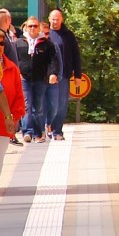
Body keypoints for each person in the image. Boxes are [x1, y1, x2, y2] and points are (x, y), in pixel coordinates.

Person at [0, 29, 25, 205]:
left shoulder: (11, 69)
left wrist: (11, 116)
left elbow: (8, 93)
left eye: (1, 43)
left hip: (0, 122)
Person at [15, 18, 60, 142]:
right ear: (26, 27)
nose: (32, 28)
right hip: (24, 78)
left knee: (38, 107)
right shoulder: (19, 42)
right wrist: (16, 72)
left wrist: (53, 74)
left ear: (39, 27)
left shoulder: (46, 44)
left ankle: (38, 133)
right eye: (30, 26)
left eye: (35, 26)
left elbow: (53, 60)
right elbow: (14, 59)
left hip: (40, 79)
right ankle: (27, 132)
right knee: (26, 105)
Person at [47, 8, 82, 141]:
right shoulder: (45, 34)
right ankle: (46, 129)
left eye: (57, 19)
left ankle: (57, 131)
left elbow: (75, 55)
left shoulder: (68, 36)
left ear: (62, 20)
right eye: (53, 19)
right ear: (49, 19)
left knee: (61, 104)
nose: (55, 22)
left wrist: (77, 75)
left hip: (64, 76)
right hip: (47, 76)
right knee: (48, 104)